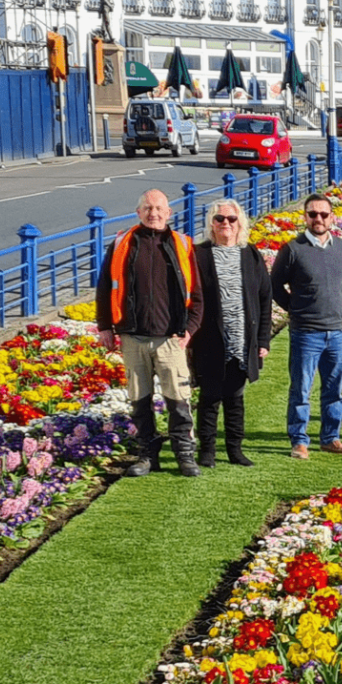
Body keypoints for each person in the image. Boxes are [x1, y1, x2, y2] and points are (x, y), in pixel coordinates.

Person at [95, 188, 205, 477]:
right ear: (138, 212)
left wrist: (190, 329)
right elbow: (105, 286)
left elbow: (196, 293)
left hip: (170, 338)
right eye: (147, 208)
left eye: (159, 208)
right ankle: (147, 456)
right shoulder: (122, 243)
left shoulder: (182, 244)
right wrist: (105, 326)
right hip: (133, 337)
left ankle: (184, 455)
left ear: (169, 213)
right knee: (139, 401)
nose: (153, 213)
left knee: (178, 401)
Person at [271, 193, 342, 459]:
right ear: (305, 217)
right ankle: (299, 440)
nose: (318, 219)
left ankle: (330, 438)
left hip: (336, 331)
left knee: (334, 389)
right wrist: (297, 310)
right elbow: (275, 286)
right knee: (301, 388)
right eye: (312, 214)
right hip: (305, 332)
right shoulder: (292, 249)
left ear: (332, 217)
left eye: (323, 214)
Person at [189, 198, 272, 468]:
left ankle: (235, 450)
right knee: (210, 397)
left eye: (231, 219)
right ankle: (207, 451)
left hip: (242, 339)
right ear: (212, 224)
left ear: (240, 224)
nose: (226, 224)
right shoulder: (199, 254)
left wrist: (262, 340)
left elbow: (264, 299)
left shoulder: (250, 254)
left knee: (235, 398)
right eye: (220, 219)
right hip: (210, 339)